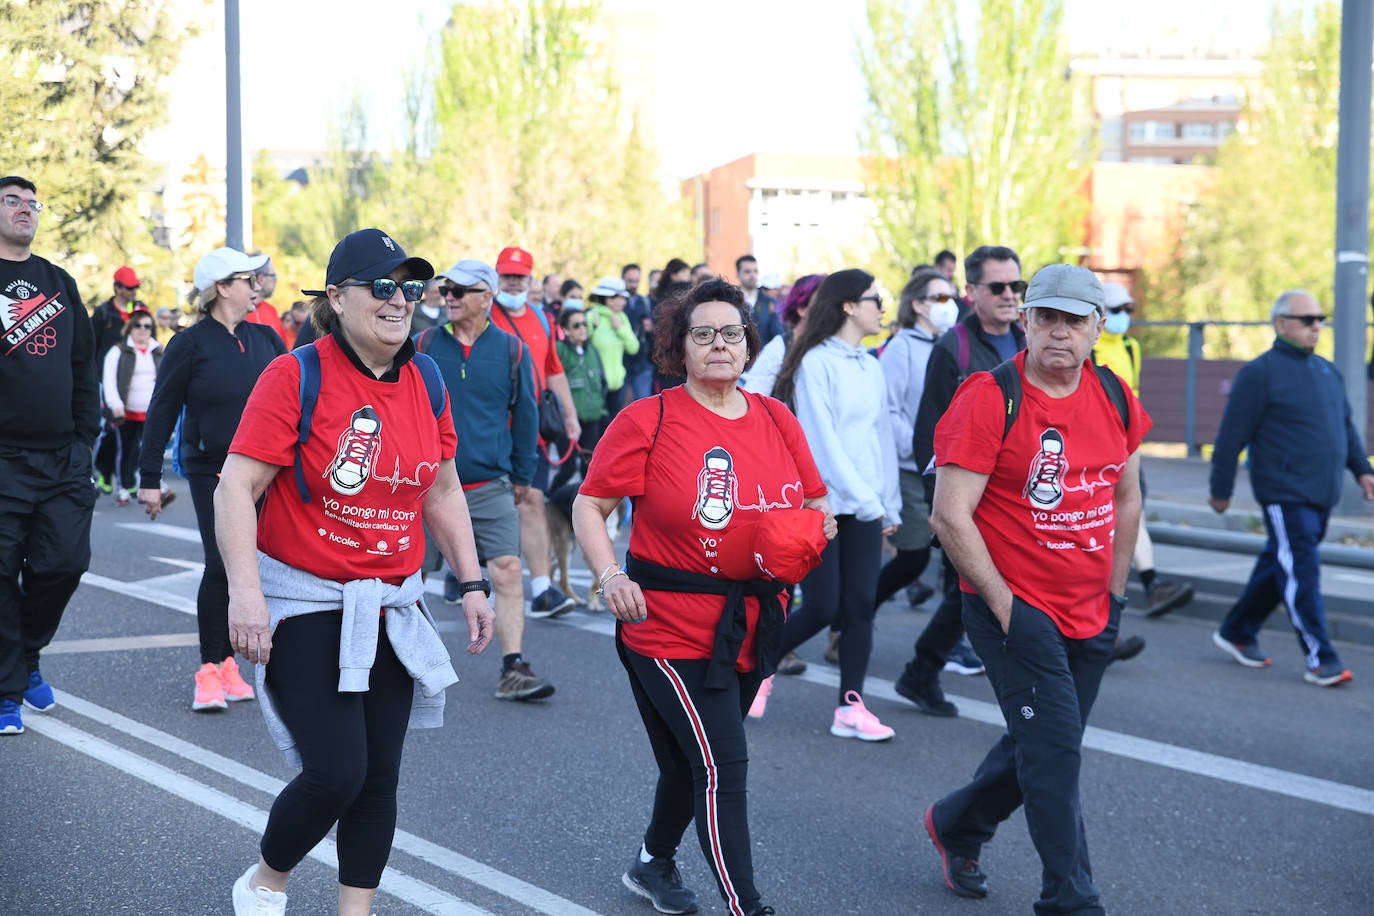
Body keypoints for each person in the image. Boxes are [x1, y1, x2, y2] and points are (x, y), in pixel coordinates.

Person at [215, 227, 494, 916]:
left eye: (411, 287)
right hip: (303, 598)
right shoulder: (296, 373)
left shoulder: (426, 377)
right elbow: (235, 487)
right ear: (337, 298)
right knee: (337, 771)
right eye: (382, 286)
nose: (401, 301)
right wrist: (244, 594)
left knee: (378, 779)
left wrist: (473, 580)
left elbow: (443, 489)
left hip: (391, 601)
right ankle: (266, 881)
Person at [573, 277, 834, 916]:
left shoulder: (776, 417)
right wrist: (612, 578)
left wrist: (801, 539)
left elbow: (816, 502)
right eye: (702, 333)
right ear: (679, 347)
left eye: (730, 332)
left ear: (748, 344)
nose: (719, 343)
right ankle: (748, 905)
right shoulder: (649, 419)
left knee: (686, 762)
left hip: (751, 621)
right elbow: (590, 504)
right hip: (664, 625)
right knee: (721, 766)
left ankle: (651, 864)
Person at [923, 264, 1149, 913]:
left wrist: (1117, 593)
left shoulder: (1115, 395)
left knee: (1047, 740)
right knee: (1054, 756)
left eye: (1074, 320)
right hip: (1014, 608)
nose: (1058, 332)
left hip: (1093, 608)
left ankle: (958, 823)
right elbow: (949, 514)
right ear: (1025, 321)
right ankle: (1071, 898)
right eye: (1046, 317)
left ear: (1097, 328)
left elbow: (1127, 497)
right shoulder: (990, 396)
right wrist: (1006, 607)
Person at [138, 246, 287, 712]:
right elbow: (161, 409)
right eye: (247, 278)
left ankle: (231, 665)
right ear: (222, 288)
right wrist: (147, 478)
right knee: (222, 563)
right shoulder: (190, 342)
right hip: (213, 470)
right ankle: (209, 668)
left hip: (268, 471)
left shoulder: (266, 339)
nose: (256, 284)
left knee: (265, 565)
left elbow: (296, 405)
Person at [759, 269, 900, 737]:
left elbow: (880, 438)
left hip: (863, 505)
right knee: (822, 607)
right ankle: (758, 663)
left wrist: (889, 503)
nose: (881, 306)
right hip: (818, 503)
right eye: (874, 298)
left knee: (860, 606)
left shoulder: (871, 365)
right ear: (846, 305)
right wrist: (865, 501)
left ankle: (850, 708)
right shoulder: (813, 362)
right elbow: (822, 444)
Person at [1208, 289, 1374, 687]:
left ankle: (1236, 631)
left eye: (1320, 319)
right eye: (1308, 319)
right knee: (1301, 570)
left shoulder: (1326, 371)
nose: (1317, 325)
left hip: (1321, 490)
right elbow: (1231, 436)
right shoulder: (1259, 373)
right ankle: (1322, 657)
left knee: (1281, 564)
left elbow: (1345, 428)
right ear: (1282, 323)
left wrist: (1363, 471)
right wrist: (1221, 488)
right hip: (1283, 492)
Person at [895, 245, 1025, 718]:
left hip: (1019, 492)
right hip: (969, 499)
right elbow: (930, 431)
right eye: (999, 287)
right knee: (970, 588)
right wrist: (944, 510)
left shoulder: (1028, 338)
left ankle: (922, 671)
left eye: (1017, 286)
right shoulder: (955, 347)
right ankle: (923, 670)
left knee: (973, 590)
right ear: (972, 292)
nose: (1011, 295)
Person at [421, 259, 550, 701]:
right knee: (405, 579)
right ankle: (403, 666)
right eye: (446, 288)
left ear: (487, 297)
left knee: (509, 570)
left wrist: (521, 474)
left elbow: (527, 415)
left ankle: (513, 667)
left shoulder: (513, 350)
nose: (450, 295)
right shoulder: (421, 345)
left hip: (490, 483)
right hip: (427, 486)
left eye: (461, 289)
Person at [0, 174, 100, 736]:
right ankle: (8, 688)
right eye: (11, 200)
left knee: (65, 563)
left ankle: (25, 654)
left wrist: (85, 439)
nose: (25, 209)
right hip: (2, 460)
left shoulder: (59, 282)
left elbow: (83, 366)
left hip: (62, 458)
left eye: (31, 202)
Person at [1095, 282, 1194, 646]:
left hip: (1126, 447)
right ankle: (1106, 622)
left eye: (1128, 310)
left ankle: (1141, 593)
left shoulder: (1131, 348)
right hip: (1094, 451)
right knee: (1101, 528)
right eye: (1116, 310)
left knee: (1129, 514)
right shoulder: (1086, 349)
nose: (1123, 317)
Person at [488, 246, 581, 618]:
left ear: (530, 279)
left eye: (520, 277)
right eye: (507, 276)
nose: (513, 282)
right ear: (497, 277)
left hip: (534, 432)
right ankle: (467, 574)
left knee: (532, 501)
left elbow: (554, 369)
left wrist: (570, 415)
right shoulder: (483, 314)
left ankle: (542, 589)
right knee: (489, 503)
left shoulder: (542, 319)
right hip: (491, 428)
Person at [872, 268, 958, 619]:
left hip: (951, 467)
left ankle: (956, 642)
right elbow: (888, 410)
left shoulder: (951, 343)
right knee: (914, 555)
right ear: (918, 304)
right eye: (940, 298)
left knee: (957, 556)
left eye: (951, 297)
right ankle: (854, 616)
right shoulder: (902, 348)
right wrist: (921, 449)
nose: (949, 305)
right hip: (911, 468)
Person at [100, 308, 174, 508]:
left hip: (152, 412)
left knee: (149, 450)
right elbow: (109, 381)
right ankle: (123, 488)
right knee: (126, 450)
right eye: (138, 325)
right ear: (129, 327)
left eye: (147, 326)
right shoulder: (118, 351)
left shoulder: (159, 350)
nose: (142, 330)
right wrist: (115, 405)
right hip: (127, 412)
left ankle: (157, 484)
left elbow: (167, 380)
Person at [91, 264, 147, 493]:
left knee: (136, 430)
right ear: (117, 287)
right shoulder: (104, 312)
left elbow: (149, 339)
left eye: (135, 287)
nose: (133, 291)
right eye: (128, 287)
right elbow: (91, 346)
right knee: (112, 427)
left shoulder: (140, 310)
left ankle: (128, 478)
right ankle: (105, 470)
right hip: (109, 380)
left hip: (136, 379)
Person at [740, 273, 825, 397]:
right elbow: (752, 401)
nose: (830, 308)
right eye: (822, 302)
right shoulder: (780, 348)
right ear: (802, 309)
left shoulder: (840, 347)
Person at [554, 299, 609, 481]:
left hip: (591, 421)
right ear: (566, 330)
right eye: (576, 325)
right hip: (568, 422)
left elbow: (602, 383)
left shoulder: (592, 350)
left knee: (590, 470)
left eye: (584, 323)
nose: (582, 328)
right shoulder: (559, 350)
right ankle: (552, 502)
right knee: (568, 468)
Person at [586, 276, 640, 419]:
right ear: (609, 299)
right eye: (621, 298)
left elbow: (633, 348)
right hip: (596, 386)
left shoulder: (622, 318)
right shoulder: (591, 317)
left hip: (618, 386)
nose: (624, 302)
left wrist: (620, 329)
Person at [621, 262, 656, 403]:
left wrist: (650, 328)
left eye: (636, 281)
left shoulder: (645, 302)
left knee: (643, 404)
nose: (633, 285)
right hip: (622, 361)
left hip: (642, 362)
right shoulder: (617, 301)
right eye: (630, 281)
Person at [735, 254, 783, 345]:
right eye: (747, 272)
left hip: (764, 356)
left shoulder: (770, 302)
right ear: (738, 274)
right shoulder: (731, 301)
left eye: (755, 271)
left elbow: (778, 335)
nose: (752, 275)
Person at [244, 257, 286, 341]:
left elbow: (284, 349)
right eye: (273, 276)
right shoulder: (241, 311)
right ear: (261, 279)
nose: (276, 281)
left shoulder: (271, 310)